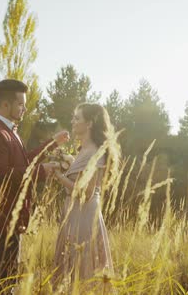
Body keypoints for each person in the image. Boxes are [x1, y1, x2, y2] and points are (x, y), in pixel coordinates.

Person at [0, 79, 70, 294]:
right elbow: (0, 174)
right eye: (20, 104)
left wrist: (52, 144)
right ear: (5, 105)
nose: (24, 108)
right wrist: (41, 171)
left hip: (12, 216)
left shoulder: (10, 132)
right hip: (2, 217)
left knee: (7, 279)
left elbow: (24, 161)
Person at [51, 103, 119, 292]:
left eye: (77, 118)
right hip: (73, 214)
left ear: (89, 123)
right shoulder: (84, 150)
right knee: (70, 270)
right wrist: (67, 163)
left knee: (84, 271)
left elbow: (85, 194)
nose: (72, 121)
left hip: (84, 217)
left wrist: (59, 176)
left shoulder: (94, 152)